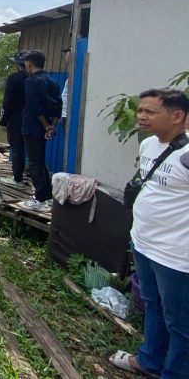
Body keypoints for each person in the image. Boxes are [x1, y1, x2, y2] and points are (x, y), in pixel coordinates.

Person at [109, 89, 189, 378]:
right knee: (152, 306)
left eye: (150, 112)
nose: (141, 116)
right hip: (144, 244)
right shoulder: (148, 146)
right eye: (140, 110)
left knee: (180, 322)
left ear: (177, 116)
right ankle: (149, 360)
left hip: (177, 256)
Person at [20, 50, 59, 212]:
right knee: (41, 160)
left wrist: (44, 125)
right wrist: (52, 126)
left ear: (29, 64)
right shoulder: (52, 81)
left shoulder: (31, 81)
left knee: (35, 162)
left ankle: (40, 198)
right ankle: (47, 195)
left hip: (32, 127)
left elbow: (34, 107)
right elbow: (58, 106)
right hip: (46, 127)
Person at [0, 53, 28, 187]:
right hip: (32, 119)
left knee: (17, 149)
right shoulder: (35, 77)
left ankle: (17, 179)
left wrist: (3, 120)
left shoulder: (14, 78)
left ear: (17, 64)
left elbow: (7, 102)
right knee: (32, 151)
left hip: (16, 119)